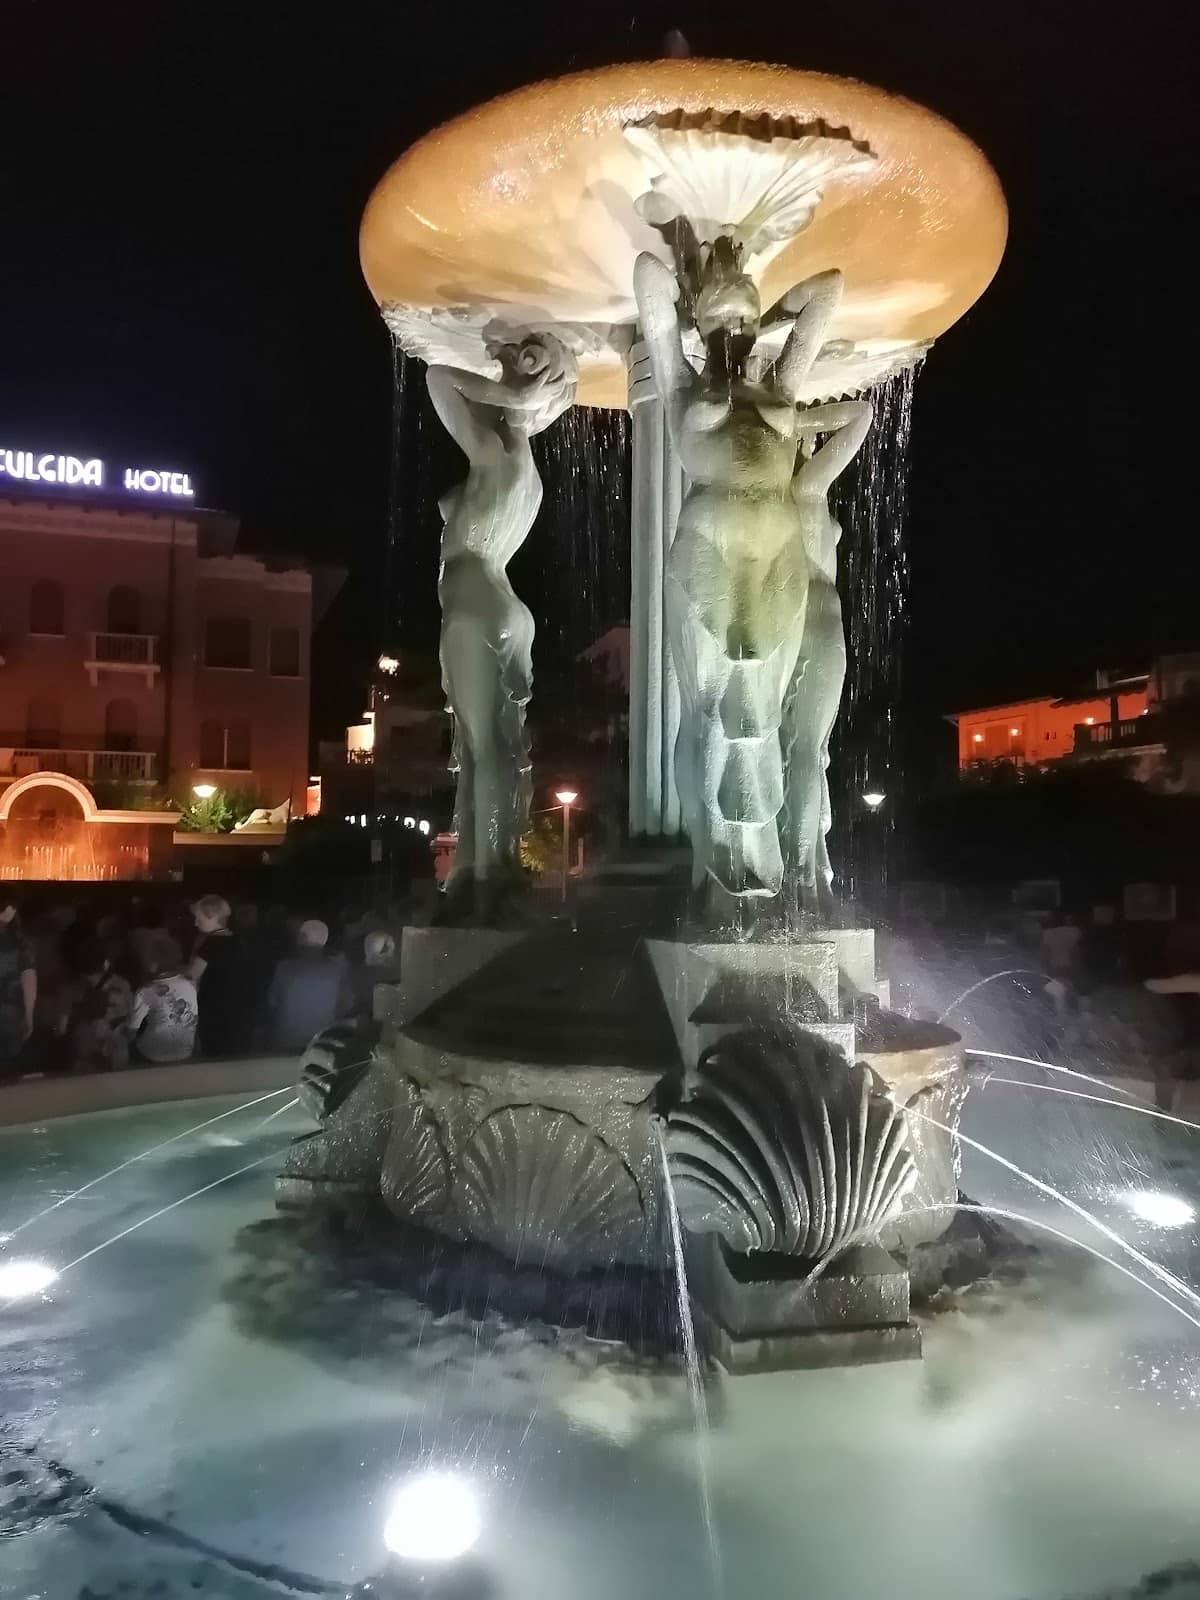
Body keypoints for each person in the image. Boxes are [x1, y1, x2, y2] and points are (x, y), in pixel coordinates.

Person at [188, 893, 255, 1057]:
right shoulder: (237, 939)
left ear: (212, 917)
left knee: (213, 1051)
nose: (195, 923)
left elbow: (193, 974)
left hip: (213, 1006)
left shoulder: (210, 943)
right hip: (236, 1005)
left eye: (199, 918)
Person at [267, 919, 345, 1052]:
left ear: (300, 939)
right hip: (322, 1042)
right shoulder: (337, 970)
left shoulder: (284, 968)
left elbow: (271, 1003)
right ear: (324, 940)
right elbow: (344, 1007)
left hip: (286, 1041)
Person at [62, 937, 133, 1074]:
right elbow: (131, 1018)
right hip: (117, 1055)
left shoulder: (70, 990)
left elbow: (61, 1029)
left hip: (84, 1056)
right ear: (106, 963)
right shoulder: (122, 985)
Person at [130, 933, 198, 1064]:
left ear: (152, 963)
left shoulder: (146, 991)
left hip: (152, 1055)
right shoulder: (191, 984)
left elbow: (131, 1031)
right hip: (185, 1052)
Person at [0, 894, 36, 1077]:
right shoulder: (18, 939)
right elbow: (28, 976)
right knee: (10, 1062)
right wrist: (29, 1014)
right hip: (10, 1008)